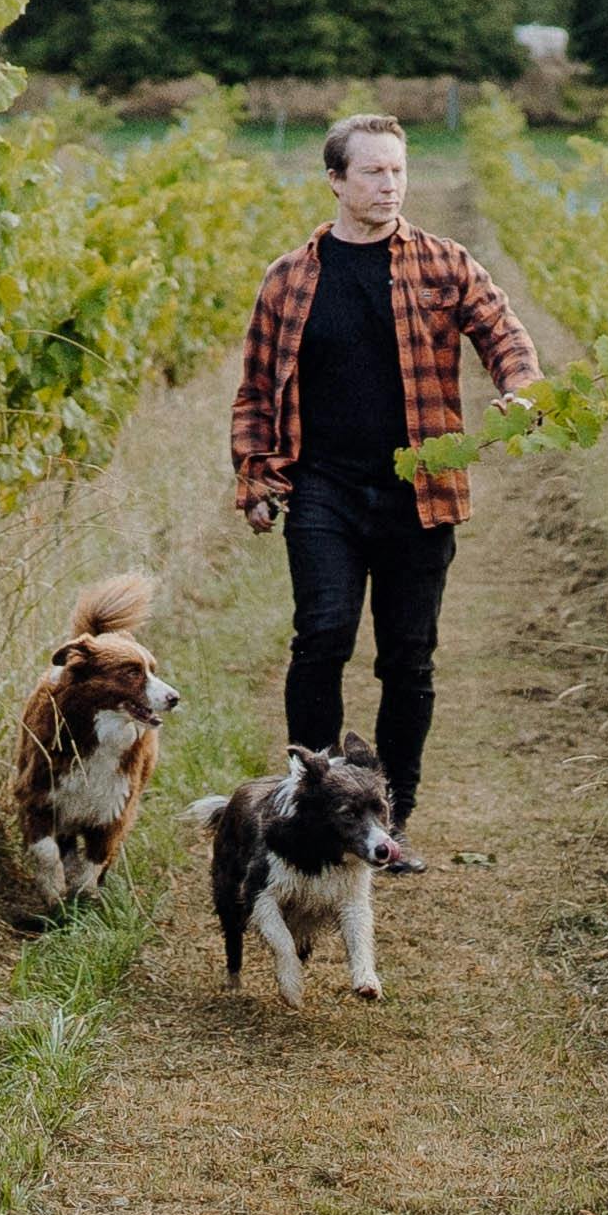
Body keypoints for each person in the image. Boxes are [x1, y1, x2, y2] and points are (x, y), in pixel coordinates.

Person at [228, 112, 538, 833]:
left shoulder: (443, 262)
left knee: (407, 658)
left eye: (398, 170)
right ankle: (311, 802)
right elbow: (255, 389)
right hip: (323, 489)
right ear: (335, 179)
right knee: (324, 635)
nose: (389, 184)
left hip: (419, 492)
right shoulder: (289, 279)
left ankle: (387, 816)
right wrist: (255, 476)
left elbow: (502, 330)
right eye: (372, 171)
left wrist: (519, 385)